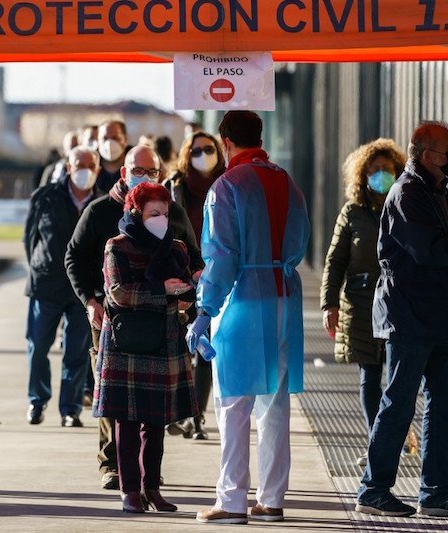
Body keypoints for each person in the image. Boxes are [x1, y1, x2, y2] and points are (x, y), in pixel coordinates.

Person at [355, 121, 448, 518]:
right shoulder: (407, 194)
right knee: (399, 402)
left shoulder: (441, 195)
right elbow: (430, 251)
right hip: (410, 316)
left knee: (443, 404)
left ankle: (436, 491)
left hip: (438, 316)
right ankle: (374, 488)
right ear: (428, 155)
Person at [187, 111, 310, 525]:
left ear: (225, 142)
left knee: (233, 402)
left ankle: (232, 500)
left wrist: (204, 309)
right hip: (283, 296)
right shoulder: (287, 183)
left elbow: (221, 256)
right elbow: (300, 239)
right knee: (274, 403)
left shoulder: (226, 187)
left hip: (242, 300)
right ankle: (272, 499)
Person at [65, 145, 203, 491]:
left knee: (153, 403)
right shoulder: (100, 212)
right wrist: (89, 300)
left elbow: (193, 259)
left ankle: (147, 473)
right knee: (115, 399)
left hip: (162, 320)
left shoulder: (171, 212)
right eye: (137, 170)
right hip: (113, 318)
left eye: (152, 171)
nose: (145, 176)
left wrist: (189, 296)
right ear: (124, 172)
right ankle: (113, 465)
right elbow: (74, 258)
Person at [94, 182, 199, 513]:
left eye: (165, 213)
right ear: (136, 212)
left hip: (164, 340)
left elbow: (185, 289)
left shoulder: (177, 247)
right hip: (128, 343)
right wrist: (162, 290)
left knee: (156, 423)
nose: (161, 219)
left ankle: (152, 487)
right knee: (126, 422)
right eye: (154, 213)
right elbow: (118, 293)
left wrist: (188, 290)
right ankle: (130, 491)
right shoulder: (117, 246)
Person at [321, 138, 412, 467]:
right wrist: (329, 304)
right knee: (369, 375)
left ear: (398, 172)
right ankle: (378, 444)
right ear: (363, 175)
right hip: (360, 304)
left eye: (387, 169)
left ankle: (395, 437)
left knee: (400, 376)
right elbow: (335, 261)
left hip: (400, 303)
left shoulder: (407, 207)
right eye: (375, 170)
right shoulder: (352, 212)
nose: (381, 175)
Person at [23, 146, 100, 428]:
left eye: (90, 166)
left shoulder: (101, 203)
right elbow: (29, 238)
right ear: (68, 167)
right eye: (79, 165)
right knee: (38, 346)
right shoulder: (45, 197)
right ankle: (37, 400)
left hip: (82, 289)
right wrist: (37, 267)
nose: (84, 171)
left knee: (76, 352)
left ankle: (70, 409)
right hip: (46, 284)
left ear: (97, 170)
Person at [163, 130, 225, 440]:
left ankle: (196, 416)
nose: (203, 155)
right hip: (182, 274)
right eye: (197, 150)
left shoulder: (227, 184)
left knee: (205, 347)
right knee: (181, 348)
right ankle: (180, 411)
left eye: (209, 149)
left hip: (216, 275)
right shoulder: (175, 188)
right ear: (187, 154)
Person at [96, 120, 131, 193]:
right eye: (104, 138)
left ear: (125, 140)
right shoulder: (89, 165)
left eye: (115, 138)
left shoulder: (137, 165)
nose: (109, 143)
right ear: (98, 141)